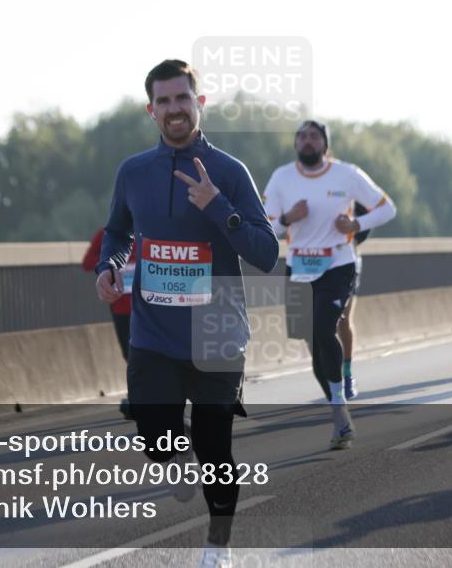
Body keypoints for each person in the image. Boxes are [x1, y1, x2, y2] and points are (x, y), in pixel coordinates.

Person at [95, 59, 278, 567]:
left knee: (215, 449)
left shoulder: (229, 172)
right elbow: (117, 231)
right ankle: (175, 454)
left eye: (183, 98)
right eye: (164, 101)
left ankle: (217, 548)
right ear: (150, 110)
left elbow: (266, 253)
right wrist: (109, 266)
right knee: (156, 439)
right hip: (153, 334)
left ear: (201, 103)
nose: (174, 109)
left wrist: (218, 206)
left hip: (217, 333)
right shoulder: (133, 172)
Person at [262, 120, 397, 449]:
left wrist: (356, 224)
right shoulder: (281, 177)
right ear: (295, 144)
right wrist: (287, 218)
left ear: (325, 144)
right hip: (298, 266)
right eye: (302, 137)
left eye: (314, 136)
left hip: (337, 263)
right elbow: (266, 225)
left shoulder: (346, 174)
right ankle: (340, 411)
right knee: (314, 346)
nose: (307, 141)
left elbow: (387, 208)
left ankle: (338, 408)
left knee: (324, 329)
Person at [82, 227, 136, 419]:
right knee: (129, 353)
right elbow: (87, 263)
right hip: (121, 306)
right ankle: (137, 397)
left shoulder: (151, 228)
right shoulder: (108, 233)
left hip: (150, 306)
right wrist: (110, 265)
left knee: (147, 352)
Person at [337, 203, 370, 399]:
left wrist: (354, 234)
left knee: (344, 320)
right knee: (324, 324)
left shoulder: (352, 192)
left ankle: (347, 375)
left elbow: (370, 216)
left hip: (348, 261)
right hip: (319, 262)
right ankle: (331, 376)